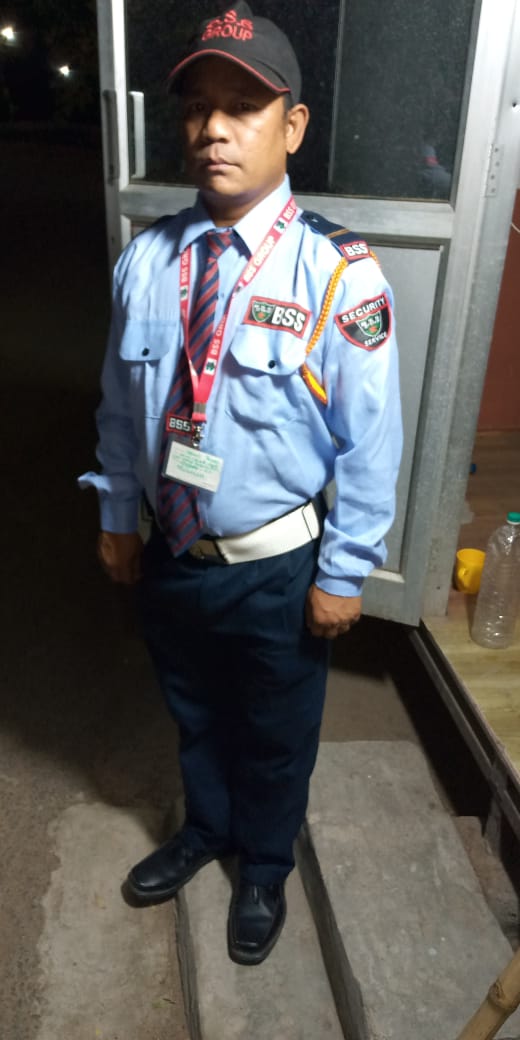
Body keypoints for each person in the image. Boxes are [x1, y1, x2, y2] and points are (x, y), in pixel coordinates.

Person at [79, 1, 402, 966]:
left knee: (274, 727)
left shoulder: (338, 276)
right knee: (193, 708)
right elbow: (118, 405)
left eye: (243, 107)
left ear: (291, 127)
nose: (213, 129)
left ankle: (262, 865)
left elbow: (370, 442)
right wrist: (119, 514)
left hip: (276, 570)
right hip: (175, 549)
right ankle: (207, 828)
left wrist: (346, 569)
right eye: (197, 108)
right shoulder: (148, 260)